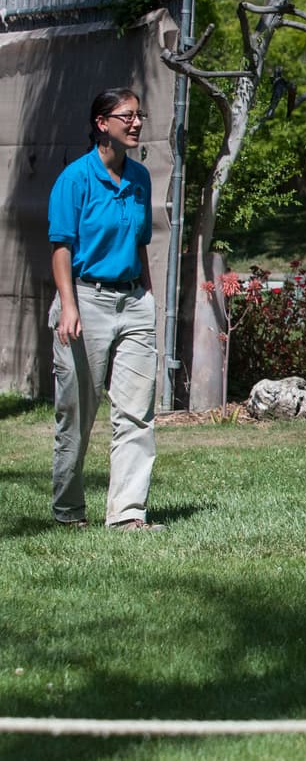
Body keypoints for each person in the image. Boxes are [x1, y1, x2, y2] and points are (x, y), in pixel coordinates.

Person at [47, 87, 163, 531]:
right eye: (127, 116)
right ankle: (69, 511)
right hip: (85, 300)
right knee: (77, 413)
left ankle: (128, 515)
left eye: (139, 115)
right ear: (102, 124)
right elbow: (61, 247)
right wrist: (69, 307)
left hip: (132, 300)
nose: (136, 123)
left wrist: (148, 300)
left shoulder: (140, 178)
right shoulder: (74, 180)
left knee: (136, 413)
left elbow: (139, 244)